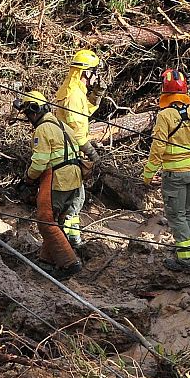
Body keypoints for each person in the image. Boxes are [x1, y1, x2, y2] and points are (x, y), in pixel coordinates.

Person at [142, 69, 190, 272]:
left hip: (174, 176)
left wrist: (147, 175)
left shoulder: (165, 116)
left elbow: (157, 148)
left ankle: (186, 261)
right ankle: (189, 251)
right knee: (186, 212)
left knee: (176, 217)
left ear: (164, 92)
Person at [13, 90, 85, 279]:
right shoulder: (63, 125)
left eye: (28, 114)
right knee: (57, 220)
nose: (28, 118)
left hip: (58, 178)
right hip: (74, 179)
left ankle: (70, 263)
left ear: (34, 110)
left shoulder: (43, 129)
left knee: (45, 221)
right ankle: (47, 260)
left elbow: (40, 162)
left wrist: (28, 180)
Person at [55, 48, 110, 250]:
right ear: (86, 72)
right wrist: (92, 153)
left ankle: (72, 239)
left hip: (68, 154)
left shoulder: (73, 90)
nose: (96, 76)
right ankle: (70, 242)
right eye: (94, 72)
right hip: (68, 155)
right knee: (75, 199)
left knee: (75, 200)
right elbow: (77, 132)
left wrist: (97, 95)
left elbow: (84, 111)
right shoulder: (72, 95)